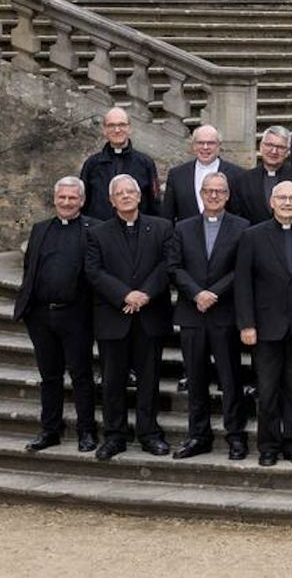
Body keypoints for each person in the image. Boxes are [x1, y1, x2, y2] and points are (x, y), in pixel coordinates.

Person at [235, 180, 292, 466]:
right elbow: (243, 283)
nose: (287, 202)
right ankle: (268, 446)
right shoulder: (252, 236)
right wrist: (246, 324)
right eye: (282, 198)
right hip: (265, 327)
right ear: (271, 202)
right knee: (268, 390)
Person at [84, 173, 174, 459]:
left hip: (150, 315)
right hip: (114, 316)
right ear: (111, 201)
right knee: (112, 380)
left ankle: (149, 433)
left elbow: (167, 264)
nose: (125, 196)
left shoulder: (161, 228)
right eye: (119, 193)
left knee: (149, 379)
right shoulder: (97, 233)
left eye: (130, 192)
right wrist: (125, 295)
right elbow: (94, 272)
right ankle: (114, 436)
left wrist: (145, 294)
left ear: (139, 196)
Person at [167, 170, 249, 460]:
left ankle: (235, 437)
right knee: (196, 380)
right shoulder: (183, 228)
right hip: (192, 314)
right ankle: (198, 436)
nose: (213, 195)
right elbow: (174, 267)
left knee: (230, 379)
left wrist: (213, 293)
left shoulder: (242, 227)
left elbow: (242, 269)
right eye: (208, 191)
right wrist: (196, 293)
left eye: (219, 191)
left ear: (227, 195)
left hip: (224, 314)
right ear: (200, 194)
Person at [15, 176, 98, 453]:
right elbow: (30, 269)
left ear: (82, 201)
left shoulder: (94, 230)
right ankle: (50, 429)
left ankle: (86, 431)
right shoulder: (40, 229)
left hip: (76, 316)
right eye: (62, 197)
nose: (66, 202)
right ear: (54, 199)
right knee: (49, 376)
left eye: (72, 198)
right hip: (40, 315)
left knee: (81, 375)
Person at [78, 106, 160, 221]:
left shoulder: (145, 163)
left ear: (129, 128)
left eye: (122, 125)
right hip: (99, 231)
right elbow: (82, 202)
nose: (117, 130)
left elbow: (154, 202)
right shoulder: (92, 164)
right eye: (111, 125)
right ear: (104, 130)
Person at [160, 123, 246, 223]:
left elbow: (240, 214)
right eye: (200, 143)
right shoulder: (177, 175)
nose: (205, 147)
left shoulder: (237, 174)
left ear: (219, 145)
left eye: (210, 143)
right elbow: (167, 216)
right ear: (193, 146)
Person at [232, 126, 292, 226]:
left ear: (287, 152)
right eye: (269, 145)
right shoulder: (244, 180)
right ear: (260, 147)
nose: (274, 151)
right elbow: (238, 217)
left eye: (280, 147)